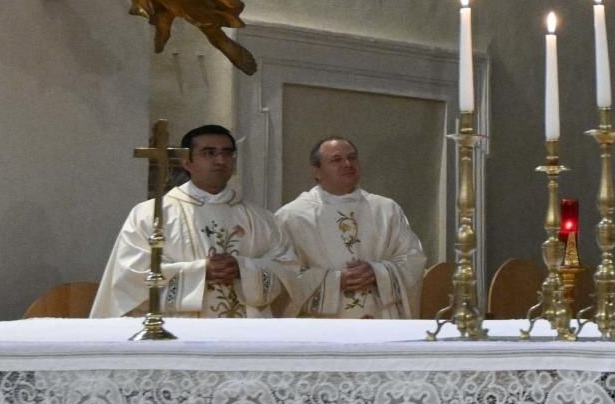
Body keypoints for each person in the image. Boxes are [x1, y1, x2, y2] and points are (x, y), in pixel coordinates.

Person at [93, 123, 298, 318]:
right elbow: (129, 278)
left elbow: (288, 270)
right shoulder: (150, 214)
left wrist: (243, 269)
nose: (220, 160)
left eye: (227, 153)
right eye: (209, 153)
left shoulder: (262, 219)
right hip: (178, 332)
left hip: (245, 335)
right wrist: (202, 272)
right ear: (187, 161)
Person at [274, 136, 427, 318]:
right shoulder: (292, 216)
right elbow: (281, 275)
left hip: (380, 319)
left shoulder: (386, 209)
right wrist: (335, 281)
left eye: (352, 157)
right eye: (336, 160)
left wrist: (377, 273)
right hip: (323, 327)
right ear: (317, 171)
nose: (347, 164)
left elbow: (413, 259)